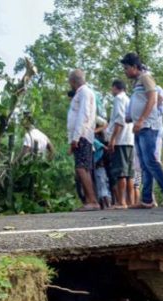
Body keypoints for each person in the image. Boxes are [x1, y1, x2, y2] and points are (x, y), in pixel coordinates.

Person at [121, 52, 163, 208]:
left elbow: (152, 98)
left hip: (148, 126)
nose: (125, 72)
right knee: (144, 164)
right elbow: (142, 100)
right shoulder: (137, 82)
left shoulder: (146, 77)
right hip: (139, 126)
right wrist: (131, 116)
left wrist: (141, 119)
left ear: (134, 67)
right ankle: (146, 199)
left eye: (126, 68)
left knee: (151, 161)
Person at [67, 69, 100, 211]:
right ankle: (89, 200)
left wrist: (76, 137)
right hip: (82, 135)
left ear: (73, 82)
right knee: (83, 168)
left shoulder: (85, 93)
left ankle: (92, 200)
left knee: (82, 168)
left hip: (82, 136)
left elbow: (83, 115)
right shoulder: (82, 93)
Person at [106, 79, 135, 208]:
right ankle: (130, 201)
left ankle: (121, 201)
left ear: (115, 87)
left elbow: (119, 120)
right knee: (129, 173)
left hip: (121, 140)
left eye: (112, 88)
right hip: (130, 139)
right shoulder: (129, 100)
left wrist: (112, 139)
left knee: (121, 171)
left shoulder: (119, 99)